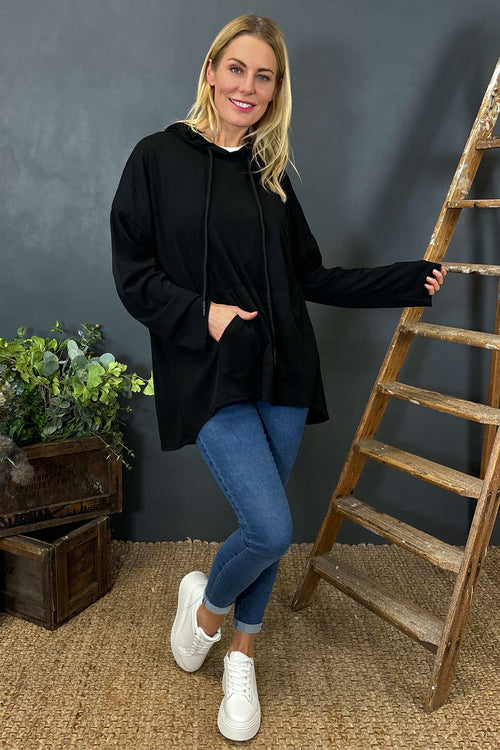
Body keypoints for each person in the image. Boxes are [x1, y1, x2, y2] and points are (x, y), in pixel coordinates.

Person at [110, 13, 446, 742]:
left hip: (285, 370)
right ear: (210, 71)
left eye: (264, 76)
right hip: (208, 371)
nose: (249, 86)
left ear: (276, 89)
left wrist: (405, 281)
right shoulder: (156, 157)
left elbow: (311, 277)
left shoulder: (271, 176)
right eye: (237, 69)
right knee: (270, 528)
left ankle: (241, 652)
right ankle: (205, 611)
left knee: (262, 531)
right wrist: (206, 315)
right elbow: (133, 274)